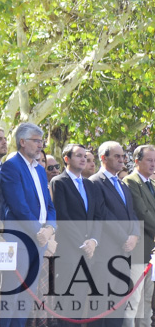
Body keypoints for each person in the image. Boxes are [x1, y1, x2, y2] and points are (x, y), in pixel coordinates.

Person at [0, 122, 56, 327]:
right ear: (22, 142)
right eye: (36, 141)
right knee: (11, 296)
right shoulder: (11, 166)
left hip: (38, 240)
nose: (41, 145)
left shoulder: (39, 170)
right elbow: (18, 206)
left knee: (25, 298)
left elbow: (49, 206)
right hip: (18, 240)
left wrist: (50, 229)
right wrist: (39, 231)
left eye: (42, 141)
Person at [49, 143, 104, 324]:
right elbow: (63, 217)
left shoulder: (89, 184)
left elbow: (97, 215)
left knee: (80, 301)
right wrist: (83, 243)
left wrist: (94, 241)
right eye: (79, 155)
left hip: (89, 252)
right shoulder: (59, 182)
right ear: (66, 159)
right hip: (69, 252)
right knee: (66, 300)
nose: (83, 159)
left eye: (85, 157)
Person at [89, 140, 141, 327]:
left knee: (118, 305)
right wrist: (124, 238)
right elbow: (103, 215)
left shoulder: (122, 184)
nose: (122, 160)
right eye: (117, 156)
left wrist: (134, 236)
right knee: (102, 305)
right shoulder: (95, 182)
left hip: (124, 254)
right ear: (103, 158)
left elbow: (132, 214)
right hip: (105, 255)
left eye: (123, 156)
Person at [124, 144, 155, 327]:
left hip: (151, 251)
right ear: (137, 161)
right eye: (149, 160)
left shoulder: (152, 183)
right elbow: (142, 212)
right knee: (133, 301)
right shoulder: (130, 181)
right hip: (138, 249)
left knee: (148, 300)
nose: (153, 164)